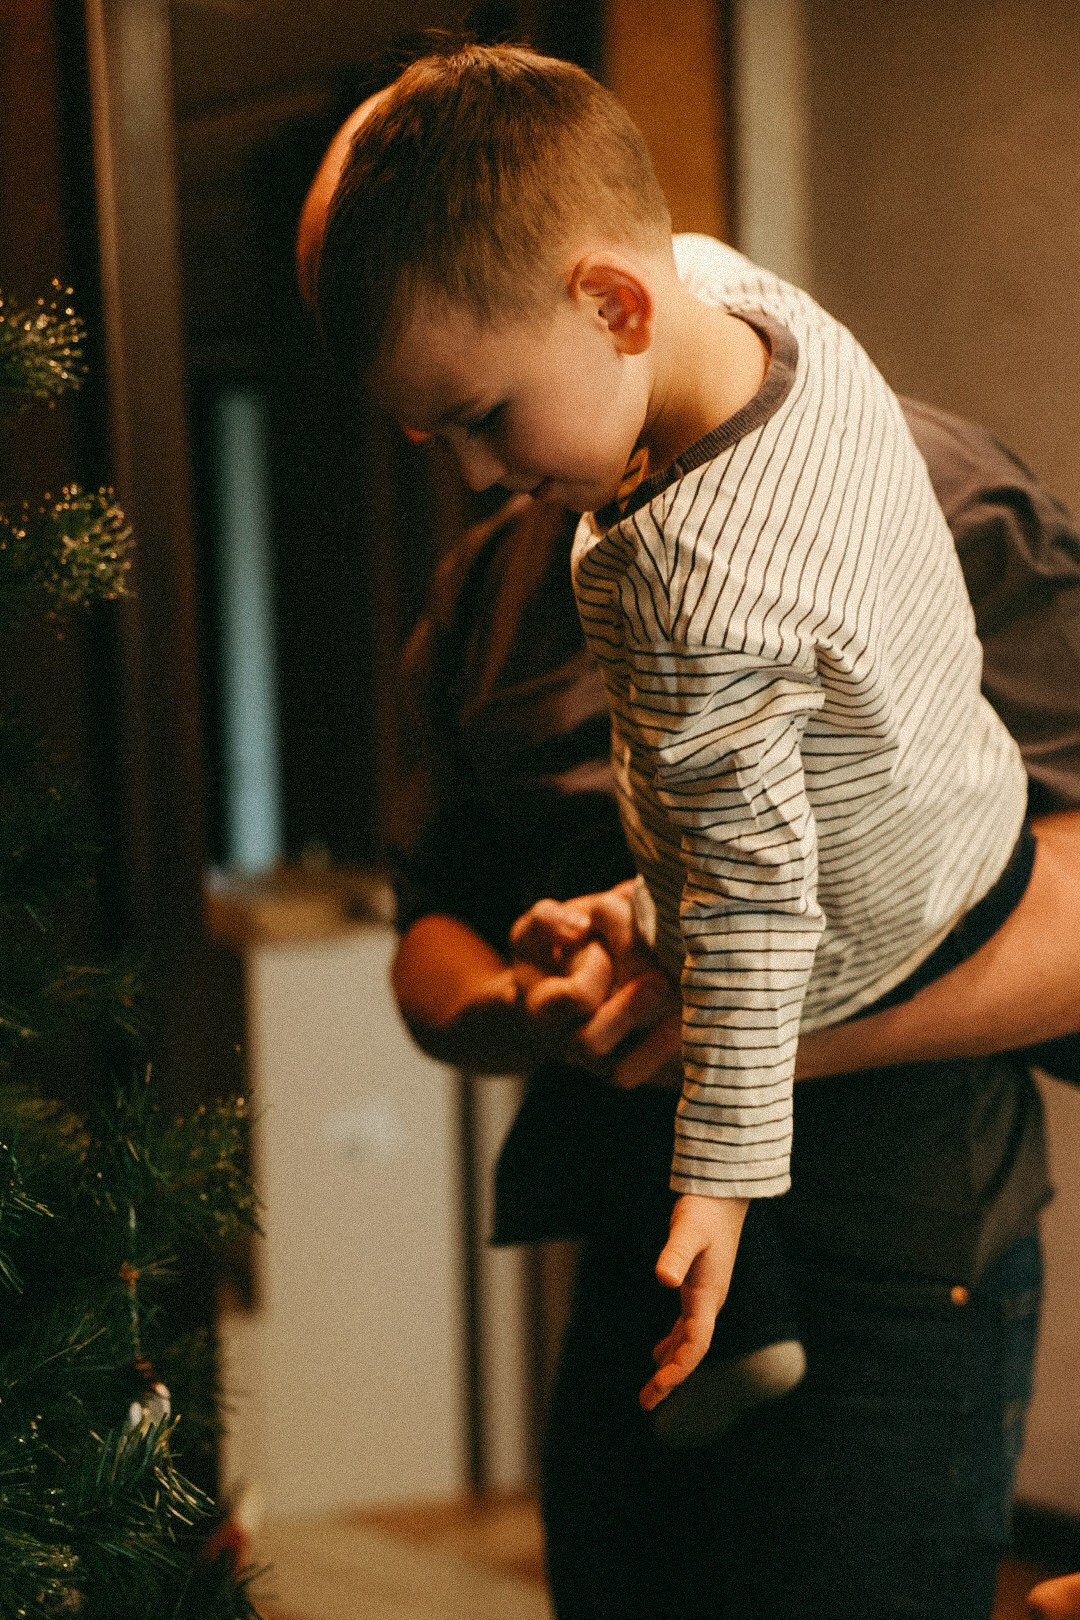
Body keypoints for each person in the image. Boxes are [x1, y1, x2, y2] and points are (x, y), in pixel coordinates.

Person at [299, 56, 1080, 1617]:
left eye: (481, 417)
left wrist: (734, 1042)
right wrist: (550, 998)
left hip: (896, 1249)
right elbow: (430, 938)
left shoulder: (934, 509)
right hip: (634, 1232)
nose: (477, 475)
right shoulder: (498, 586)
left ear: (619, 304)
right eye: (432, 433)